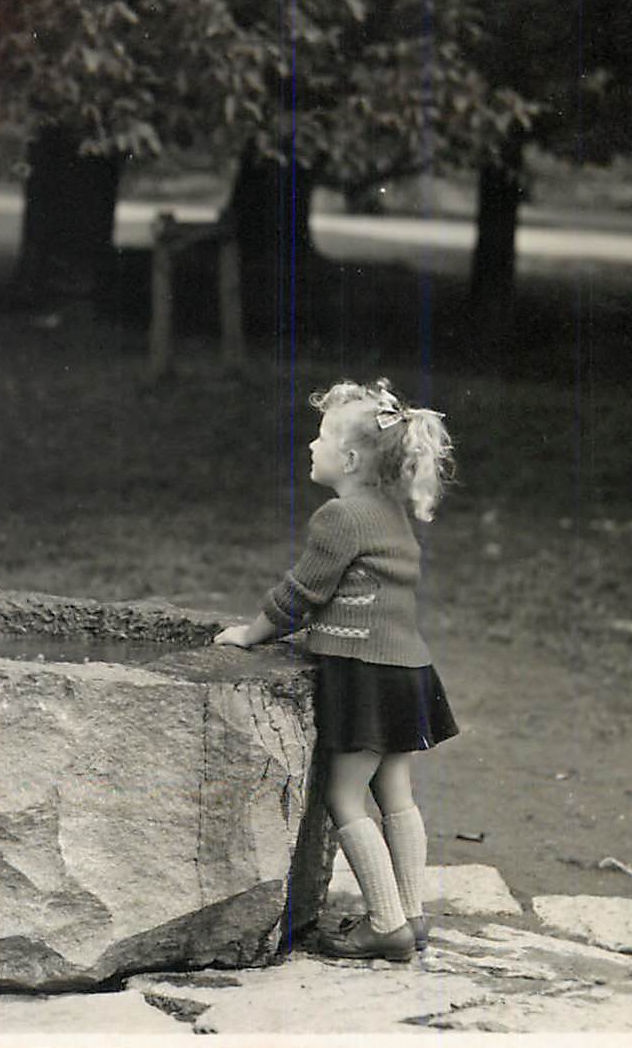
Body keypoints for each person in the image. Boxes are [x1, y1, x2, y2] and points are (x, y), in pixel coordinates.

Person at [215, 378, 458, 962]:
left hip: (364, 672)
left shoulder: (340, 517)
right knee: (395, 791)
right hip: (407, 667)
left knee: (344, 795)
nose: (310, 446)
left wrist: (251, 633)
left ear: (348, 459)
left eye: (320, 437)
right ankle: (412, 913)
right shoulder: (391, 513)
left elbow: (303, 593)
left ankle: (385, 924)